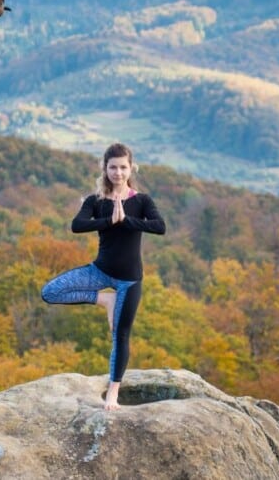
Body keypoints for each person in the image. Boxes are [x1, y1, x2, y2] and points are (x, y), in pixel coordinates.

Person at [40, 142, 166, 410]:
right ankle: (104, 300)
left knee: (120, 335)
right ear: (105, 169)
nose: (118, 172)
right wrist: (109, 221)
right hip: (99, 272)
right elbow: (77, 225)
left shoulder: (142, 201)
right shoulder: (94, 201)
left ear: (131, 168)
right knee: (50, 292)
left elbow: (159, 226)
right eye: (113, 167)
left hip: (129, 280)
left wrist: (126, 221)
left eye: (123, 167)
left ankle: (113, 392)